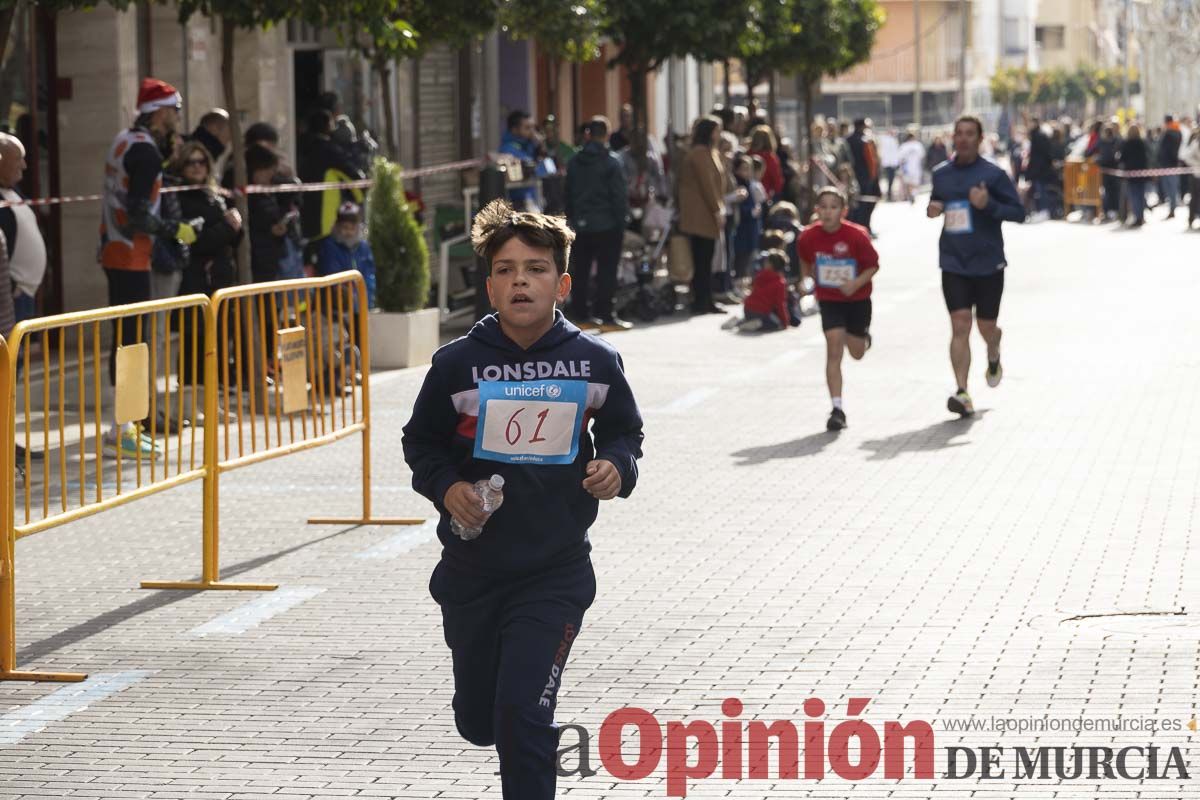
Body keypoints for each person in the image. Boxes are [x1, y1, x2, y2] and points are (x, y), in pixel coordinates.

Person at [401, 198, 643, 800]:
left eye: (534, 269)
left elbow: (623, 431)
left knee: (523, 716)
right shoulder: (457, 365)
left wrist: (615, 465)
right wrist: (449, 487)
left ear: (560, 283)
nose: (520, 282)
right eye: (506, 270)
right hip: (473, 571)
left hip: (554, 571)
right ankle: (481, 707)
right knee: (481, 720)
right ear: (489, 288)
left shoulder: (594, 360)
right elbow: (421, 442)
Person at [99, 77, 194, 457]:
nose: (177, 119)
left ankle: (122, 426)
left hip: (115, 250)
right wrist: (176, 229)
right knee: (133, 343)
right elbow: (139, 213)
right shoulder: (146, 153)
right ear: (160, 113)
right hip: (131, 254)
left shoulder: (124, 140)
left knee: (126, 340)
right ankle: (124, 429)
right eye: (174, 111)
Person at [928, 115, 1024, 417]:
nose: (964, 138)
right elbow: (938, 201)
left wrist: (988, 206)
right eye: (959, 133)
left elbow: (1019, 212)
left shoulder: (994, 175)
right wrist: (934, 208)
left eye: (970, 134)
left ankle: (993, 348)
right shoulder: (941, 174)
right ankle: (962, 391)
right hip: (953, 260)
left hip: (988, 262)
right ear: (952, 138)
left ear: (980, 138)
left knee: (985, 327)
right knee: (959, 324)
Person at [797, 186, 879, 431]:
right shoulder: (808, 237)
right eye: (823, 207)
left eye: (833, 207)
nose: (828, 212)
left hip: (857, 299)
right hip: (830, 299)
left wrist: (854, 283)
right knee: (834, 349)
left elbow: (873, 266)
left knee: (856, 352)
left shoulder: (857, 235)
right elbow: (804, 259)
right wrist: (806, 280)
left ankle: (862, 337)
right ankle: (837, 409)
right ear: (816, 210)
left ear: (843, 211)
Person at [172, 141, 242, 386]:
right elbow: (196, 241)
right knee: (195, 340)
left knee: (219, 338)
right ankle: (192, 395)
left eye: (201, 162)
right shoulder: (180, 197)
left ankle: (214, 396)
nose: (197, 167)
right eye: (191, 162)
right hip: (195, 277)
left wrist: (235, 226)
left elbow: (231, 239)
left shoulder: (214, 195)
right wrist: (227, 226)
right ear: (181, 167)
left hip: (220, 278)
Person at [564, 116, 629, 330]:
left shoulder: (574, 162)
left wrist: (572, 220)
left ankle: (581, 314)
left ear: (588, 134)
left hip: (580, 226)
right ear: (607, 135)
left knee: (580, 271)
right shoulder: (612, 162)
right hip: (608, 225)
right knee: (607, 271)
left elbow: (568, 194)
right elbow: (618, 196)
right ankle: (606, 315)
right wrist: (622, 222)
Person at [298, 108, 365, 269]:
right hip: (325, 222)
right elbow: (355, 179)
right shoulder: (329, 150)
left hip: (303, 220)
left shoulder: (300, 147)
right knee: (328, 270)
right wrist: (360, 201)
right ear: (328, 126)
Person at [676, 116, 727, 314]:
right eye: (717, 130)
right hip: (701, 215)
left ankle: (706, 299)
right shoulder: (699, 154)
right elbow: (708, 185)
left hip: (703, 215)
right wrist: (717, 210)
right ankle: (701, 301)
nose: (719, 134)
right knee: (702, 260)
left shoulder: (708, 152)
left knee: (706, 260)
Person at [0, 133, 45, 325]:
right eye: (18, 159)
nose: (24, 165)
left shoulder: (11, 191)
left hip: (23, 294)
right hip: (12, 297)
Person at [318, 202, 377, 308]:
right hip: (339, 306)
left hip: (363, 304)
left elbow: (369, 273)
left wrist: (367, 295)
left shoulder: (364, 246)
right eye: (345, 227)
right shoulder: (330, 245)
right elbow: (332, 273)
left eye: (352, 228)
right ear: (337, 227)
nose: (349, 232)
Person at [720, 248, 791, 332]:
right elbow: (780, 304)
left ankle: (739, 321)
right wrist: (785, 321)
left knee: (751, 317)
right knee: (775, 324)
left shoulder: (760, 275)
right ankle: (756, 324)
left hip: (748, 307)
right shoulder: (780, 282)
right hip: (762, 311)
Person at [246, 144, 288, 282]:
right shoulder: (247, 195)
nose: (271, 175)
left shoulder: (268, 191)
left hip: (271, 258)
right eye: (267, 171)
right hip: (256, 259)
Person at [499, 110, 541, 211]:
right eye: (527, 128)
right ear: (514, 130)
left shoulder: (529, 145)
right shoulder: (508, 150)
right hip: (518, 203)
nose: (532, 132)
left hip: (533, 198)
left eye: (533, 127)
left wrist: (539, 147)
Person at [845, 118, 881, 233]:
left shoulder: (847, 140)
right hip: (865, 178)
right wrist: (873, 177)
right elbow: (871, 162)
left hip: (851, 177)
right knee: (865, 205)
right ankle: (864, 228)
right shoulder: (865, 142)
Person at [1118, 124, 1150, 228]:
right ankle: (1140, 216)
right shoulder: (1142, 142)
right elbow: (1146, 157)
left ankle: (1138, 217)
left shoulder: (1127, 143)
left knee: (1134, 196)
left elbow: (1122, 158)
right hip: (1141, 172)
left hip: (1131, 173)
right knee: (1140, 195)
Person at [747, 125, 784, 201]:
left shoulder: (747, 155)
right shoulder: (770, 158)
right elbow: (777, 181)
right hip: (765, 196)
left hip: (748, 195)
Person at [1158, 115, 1183, 219]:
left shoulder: (1167, 133)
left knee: (1170, 188)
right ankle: (1173, 207)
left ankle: (1172, 208)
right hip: (1175, 164)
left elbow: (1163, 150)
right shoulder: (1178, 132)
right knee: (1173, 187)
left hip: (1167, 164)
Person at [897, 131, 925, 203]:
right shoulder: (905, 146)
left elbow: (922, 155)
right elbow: (900, 158)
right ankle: (911, 195)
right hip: (907, 168)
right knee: (909, 182)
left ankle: (913, 194)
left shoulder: (918, 145)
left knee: (914, 182)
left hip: (915, 167)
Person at [878, 128, 900, 200]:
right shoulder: (885, 140)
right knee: (886, 179)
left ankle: (888, 193)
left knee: (890, 179)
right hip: (887, 163)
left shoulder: (893, 140)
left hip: (891, 163)